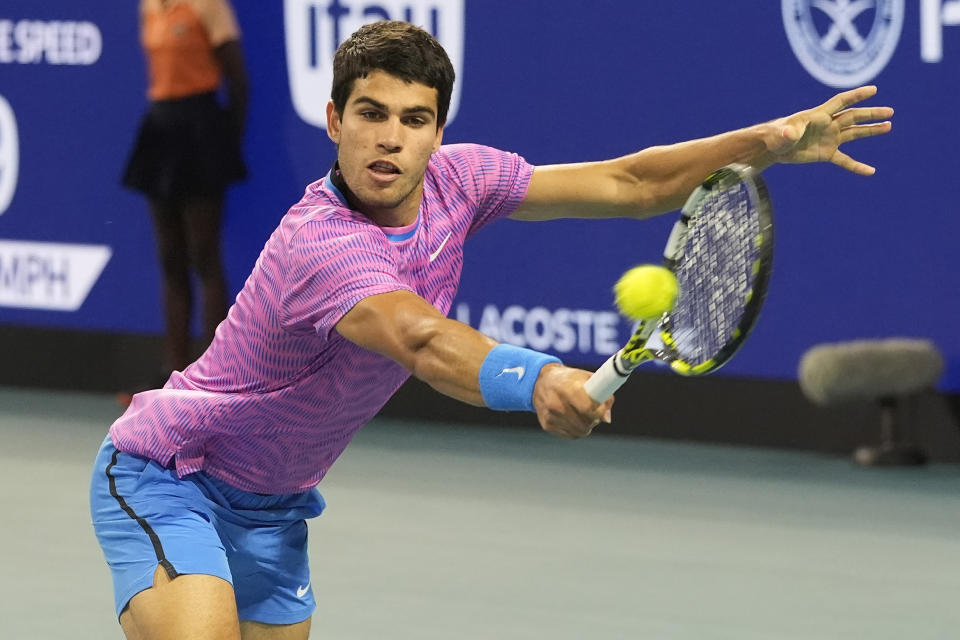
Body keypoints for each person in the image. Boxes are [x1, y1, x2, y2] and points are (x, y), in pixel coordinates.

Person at [91, 20, 893, 640]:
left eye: (414, 119)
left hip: (275, 506)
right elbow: (421, 339)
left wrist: (768, 142)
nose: (390, 138)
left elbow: (628, 180)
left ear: (438, 131)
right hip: (171, 473)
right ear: (335, 120)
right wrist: (540, 379)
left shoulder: (462, 179)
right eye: (370, 114)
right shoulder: (320, 244)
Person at [121, 0, 249, 398]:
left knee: (203, 256)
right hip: (161, 130)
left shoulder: (209, 7)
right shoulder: (148, 7)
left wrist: (224, 143)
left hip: (201, 132)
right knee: (170, 259)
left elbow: (239, 80)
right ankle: (172, 373)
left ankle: (214, 373)